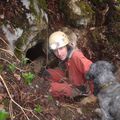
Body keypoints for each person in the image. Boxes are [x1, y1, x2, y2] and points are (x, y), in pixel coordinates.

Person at [42, 31, 94, 99]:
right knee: (48, 73)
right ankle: (62, 85)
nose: (59, 53)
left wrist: (94, 95)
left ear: (66, 46)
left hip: (78, 89)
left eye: (61, 48)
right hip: (69, 79)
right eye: (55, 51)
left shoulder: (76, 56)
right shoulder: (66, 57)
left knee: (48, 87)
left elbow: (93, 71)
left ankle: (76, 96)